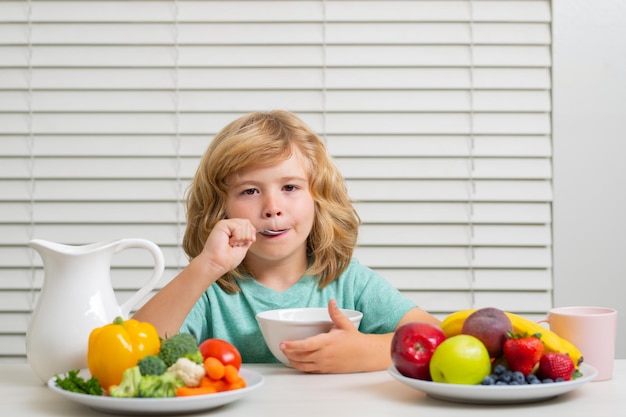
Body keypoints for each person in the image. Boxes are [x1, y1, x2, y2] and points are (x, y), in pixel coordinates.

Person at [133, 110, 439, 373]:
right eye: (250, 191)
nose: (272, 207)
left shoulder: (350, 283)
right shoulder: (210, 290)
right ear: (220, 207)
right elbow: (132, 350)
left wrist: (368, 352)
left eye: (290, 187)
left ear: (319, 199)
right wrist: (207, 265)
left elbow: (435, 338)